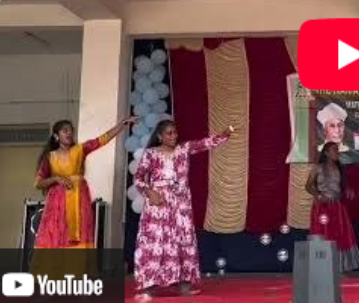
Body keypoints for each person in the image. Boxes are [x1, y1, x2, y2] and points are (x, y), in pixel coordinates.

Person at [133, 120, 234, 301]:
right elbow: (138, 178)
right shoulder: (151, 154)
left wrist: (223, 135)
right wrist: (149, 192)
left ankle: (184, 285)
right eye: (169, 133)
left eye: (175, 132)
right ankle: (149, 285)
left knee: (183, 240)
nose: (173, 136)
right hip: (158, 204)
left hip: (180, 204)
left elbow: (204, 143)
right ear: (160, 136)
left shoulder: (183, 149)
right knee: (155, 242)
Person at [33, 117, 137, 250]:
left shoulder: (80, 149)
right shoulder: (50, 157)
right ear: (56, 135)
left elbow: (102, 140)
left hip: (79, 200)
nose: (69, 133)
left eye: (71, 130)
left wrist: (123, 124)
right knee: (57, 234)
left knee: (81, 235)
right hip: (58, 205)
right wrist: (56, 179)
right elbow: (38, 183)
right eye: (65, 130)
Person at [305, 141, 359, 272]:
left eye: (337, 150)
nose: (337, 152)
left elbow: (342, 186)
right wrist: (319, 196)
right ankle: (322, 265)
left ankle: (339, 265)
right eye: (334, 150)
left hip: (337, 207)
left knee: (339, 235)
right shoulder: (318, 168)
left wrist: (348, 190)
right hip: (322, 207)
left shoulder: (340, 168)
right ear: (326, 153)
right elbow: (308, 186)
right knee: (323, 234)